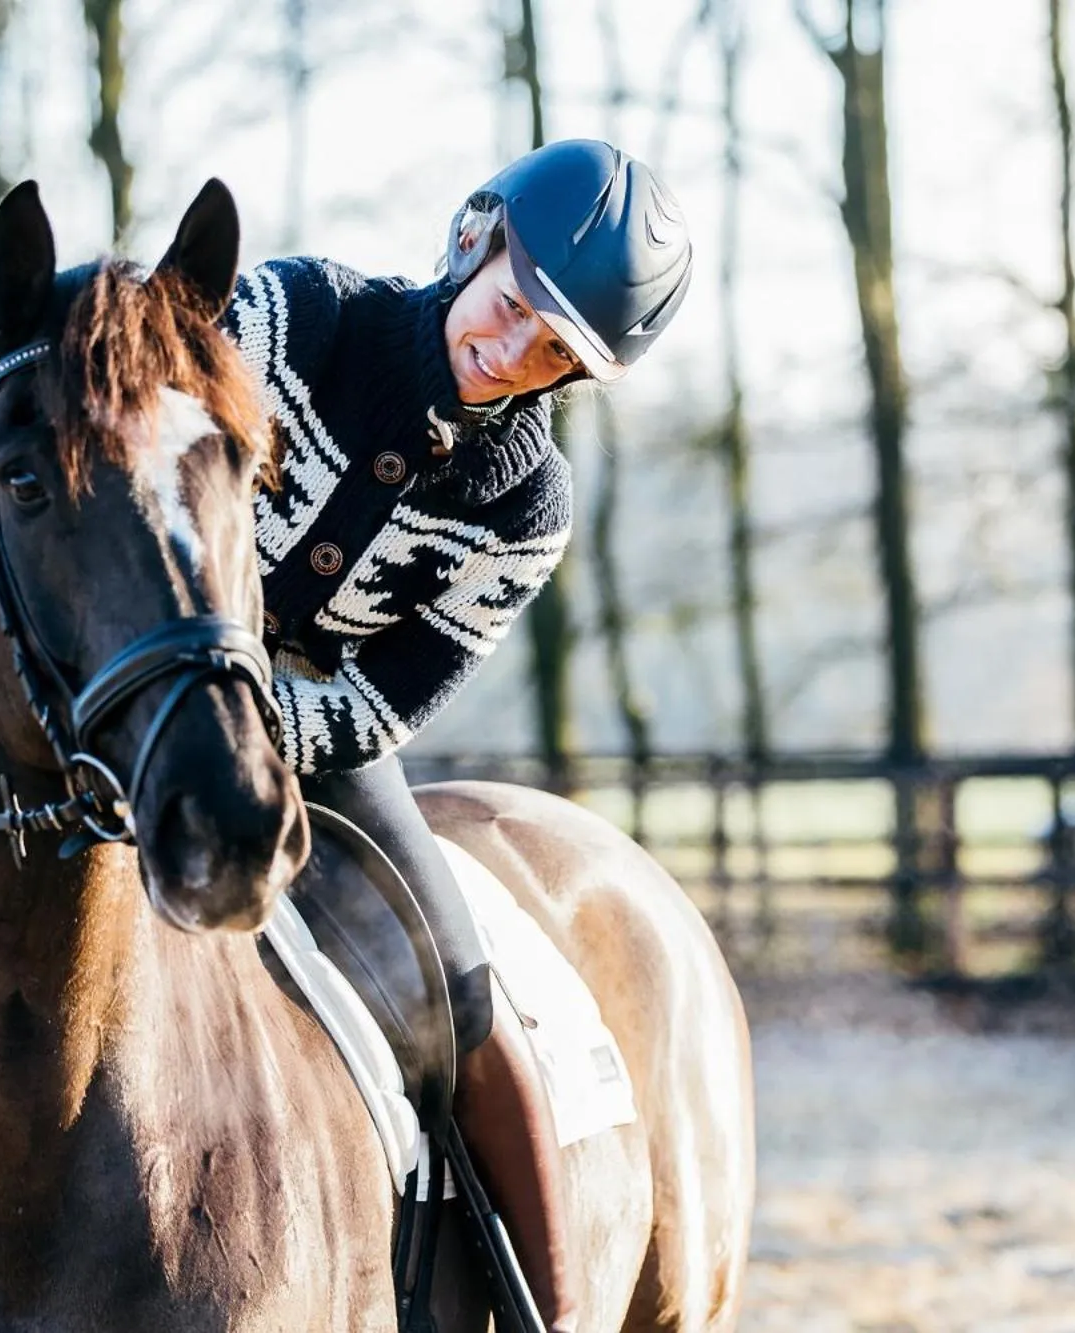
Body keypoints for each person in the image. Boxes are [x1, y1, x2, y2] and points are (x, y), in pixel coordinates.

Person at [224, 137, 691, 1332]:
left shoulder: (526, 508)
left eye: (555, 353)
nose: (511, 352)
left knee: (461, 997)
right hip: (148, 685)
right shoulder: (288, 316)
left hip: (322, 743)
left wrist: (260, 720)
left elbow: (390, 697)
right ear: (474, 241)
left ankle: (547, 1309)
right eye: (515, 306)